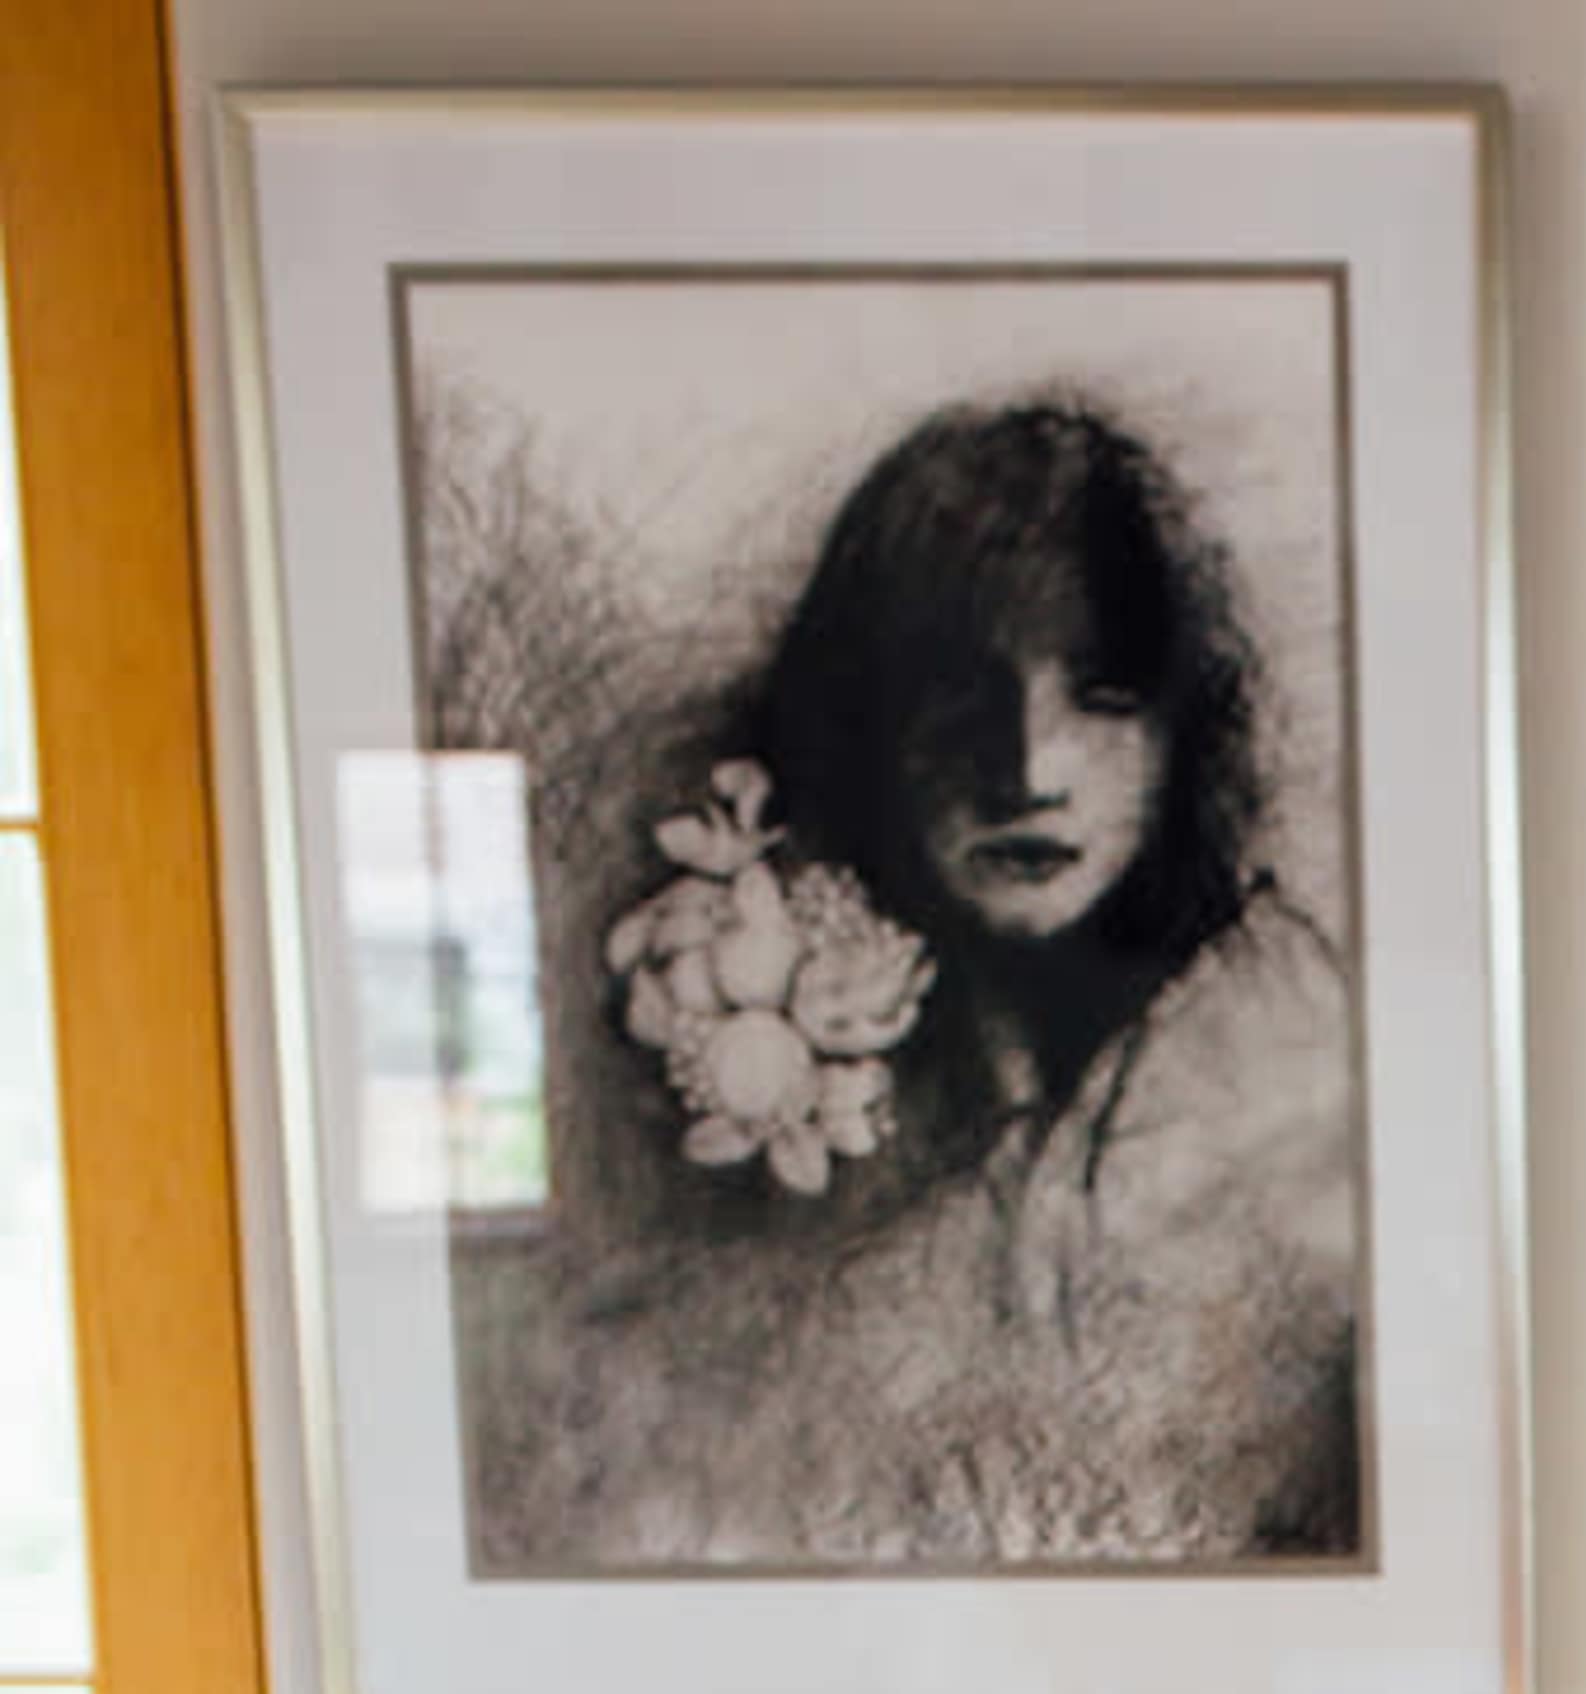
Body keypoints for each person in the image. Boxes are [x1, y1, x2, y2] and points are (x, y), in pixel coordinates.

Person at [480, 395, 1367, 1579]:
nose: (1026, 768)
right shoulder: (786, 1031)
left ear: (1179, 730)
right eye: (961, 692)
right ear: (868, 722)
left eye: (1100, 695)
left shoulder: (1292, 1053)